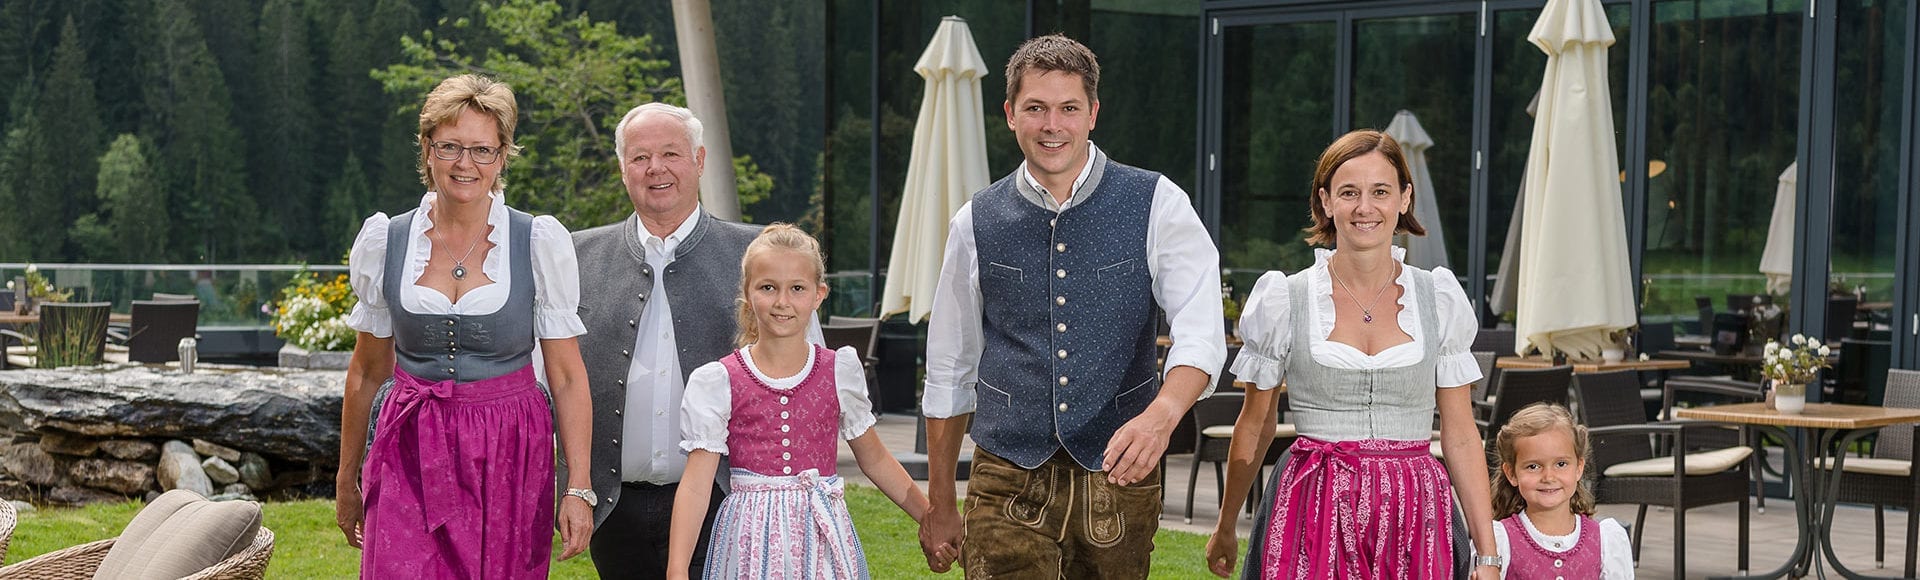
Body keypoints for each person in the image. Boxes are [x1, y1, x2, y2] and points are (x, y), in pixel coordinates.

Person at [919, 34, 1226, 578]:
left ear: (1093, 114)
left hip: (1120, 472)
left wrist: (1161, 418)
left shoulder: (1157, 201)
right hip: (1005, 471)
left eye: (1068, 108)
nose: (1052, 125)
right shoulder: (975, 220)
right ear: (1011, 113)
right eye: (1035, 108)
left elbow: (1202, 334)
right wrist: (941, 502)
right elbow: (949, 368)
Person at [1204, 129, 1500, 579]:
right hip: (1311, 506)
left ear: (1404, 198)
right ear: (1325, 201)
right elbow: (1256, 422)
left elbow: (1460, 432)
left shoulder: (1438, 297)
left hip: (1414, 511)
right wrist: (1226, 525)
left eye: (1380, 191)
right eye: (1349, 192)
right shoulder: (1286, 298)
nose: (1365, 207)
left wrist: (1487, 553)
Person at [334, 73, 594, 578]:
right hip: (409, 439)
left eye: (482, 150)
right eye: (450, 146)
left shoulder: (536, 240)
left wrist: (578, 485)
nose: (465, 164)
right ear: (427, 149)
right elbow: (366, 372)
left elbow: (564, 375)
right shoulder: (388, 240)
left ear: (502, 156)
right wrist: (347, 477)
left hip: (509, 447)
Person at [570, 102, 819, 578]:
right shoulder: (575, 256)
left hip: (729, 504)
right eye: (640, 157)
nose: (655, 168)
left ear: (700, 161)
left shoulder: (760, 257)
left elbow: (806, 384)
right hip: (613, 508)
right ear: (623, 168)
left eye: (671, 153)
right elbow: (550, 381)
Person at [666, 224, 945, 579]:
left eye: (797, 288)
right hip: (750, 541)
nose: (782, 302)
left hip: (822, 536)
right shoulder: (720, 380)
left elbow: (875, 460)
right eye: (768, 287)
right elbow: (696, 484)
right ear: (748, 293)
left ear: (818, 294)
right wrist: (676, 568)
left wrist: (931, 519)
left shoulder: (838, 370)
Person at [1490, 403, 1634, 579]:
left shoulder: (1605, 540)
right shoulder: (1498, 541)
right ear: (1512, 473)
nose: (1548, 477)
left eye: (1561, 464)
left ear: (1579, 468)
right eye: (1533, 466)